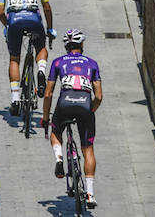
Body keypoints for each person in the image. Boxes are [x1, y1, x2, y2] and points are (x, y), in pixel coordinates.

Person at [42, 28, 102, 210]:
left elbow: (48, 93)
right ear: (82, 44)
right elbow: (98, 96)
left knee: (56, 131)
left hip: (64, 104)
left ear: (66, 46)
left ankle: (59, 159)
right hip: (84, 105)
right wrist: (90, 111)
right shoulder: (92, 63)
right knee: (88, 150)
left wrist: (45, 117)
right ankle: (90, 195)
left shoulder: (58, 62)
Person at [0, 0, 54, 111]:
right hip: (33, 18)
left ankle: (15, 99)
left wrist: (7, 26)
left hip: (14, 20)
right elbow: (46, 6)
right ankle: (41, 70)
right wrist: (50, 29)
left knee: (14, 59)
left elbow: (0, 12)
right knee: (40, 48)